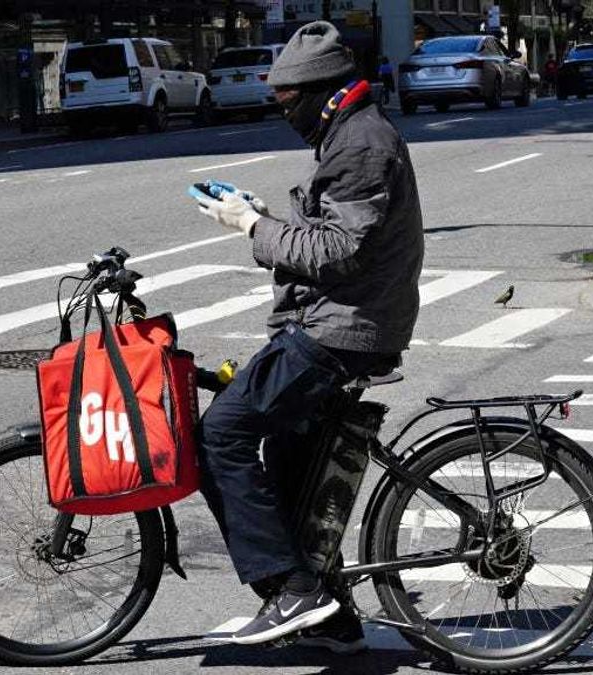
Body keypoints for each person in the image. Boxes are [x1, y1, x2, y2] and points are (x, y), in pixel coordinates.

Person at [193, 21, 424, 650]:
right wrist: (260, 216)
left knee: (221, 432)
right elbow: (326, 237)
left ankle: (292, 591)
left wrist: (249, 227)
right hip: (332, 319)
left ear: (323, 93)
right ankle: (333, 616)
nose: (283, 111)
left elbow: (339, 252)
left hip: (343, 327)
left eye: (287, 101)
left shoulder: (360, 144)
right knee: (291, 467)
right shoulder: (346, 134)